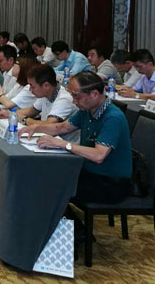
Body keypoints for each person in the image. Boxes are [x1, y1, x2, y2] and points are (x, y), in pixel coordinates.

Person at [19, 71, 132, 205]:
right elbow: (62, 128)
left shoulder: (113, 118)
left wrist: (63, 144)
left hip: (110, 182)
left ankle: (64, 219)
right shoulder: (87, 110)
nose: (74, 101)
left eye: (76, 96)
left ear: (95, 94)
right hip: (88, 171)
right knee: (44, 174)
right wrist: (36, 128)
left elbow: (99, 155)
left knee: (52, 185)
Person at [13, 64, 78, 141]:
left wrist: (24, 120)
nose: (30, 90)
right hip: (49, 140)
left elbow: (48, 125)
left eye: (32, 86)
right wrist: (12, 114)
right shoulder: (46, 93)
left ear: (46, 85)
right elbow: (32, 110)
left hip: (64, 144)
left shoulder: (64, 99)